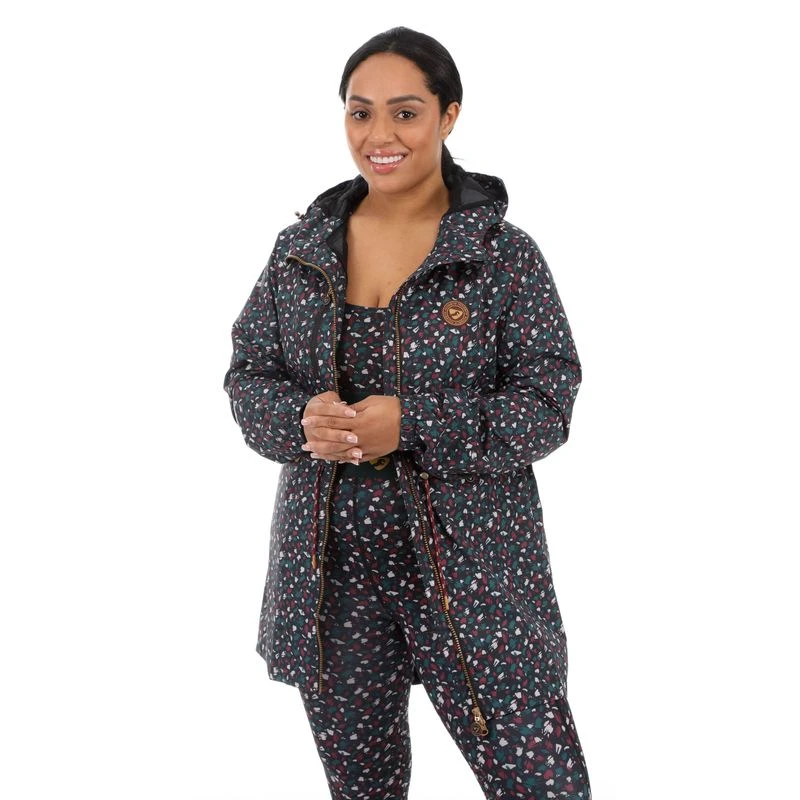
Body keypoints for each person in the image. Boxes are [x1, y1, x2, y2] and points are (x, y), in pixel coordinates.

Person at [223, 26, 592, 800]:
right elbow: (249, 373)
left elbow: (547, 402)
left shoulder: (502, 256)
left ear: (449, 115)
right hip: (331, 578)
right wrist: (300, 422)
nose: (379, 135)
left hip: (477, 575)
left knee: (541, 781)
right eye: (360, 113)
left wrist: (413, 423)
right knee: (363, 789)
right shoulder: (301, 249)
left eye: (405, 112)